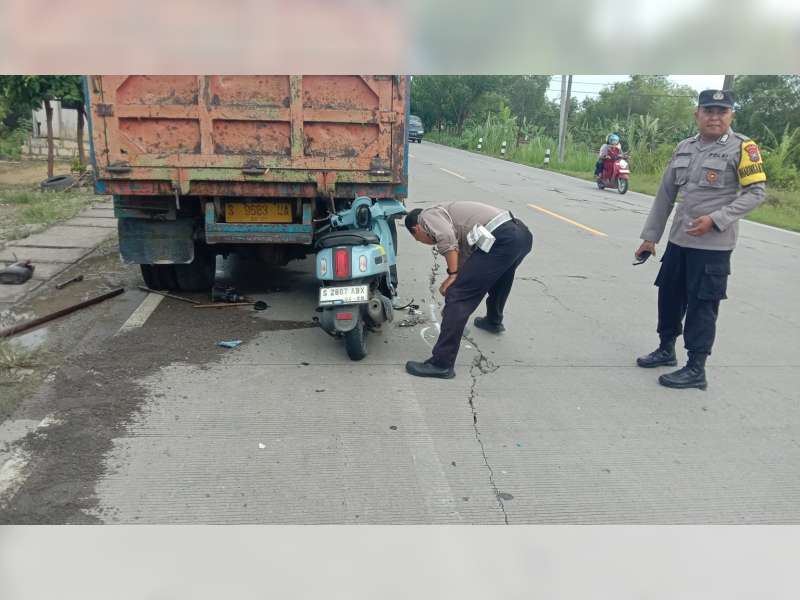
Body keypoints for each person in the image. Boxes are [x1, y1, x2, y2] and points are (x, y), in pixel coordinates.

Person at [635, 89, 767, 390]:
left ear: (731, 115)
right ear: (697, 115)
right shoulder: (685, 147)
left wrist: (716, 219)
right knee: (668, 296)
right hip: (679, 240)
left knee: (702, 305)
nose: (715, 117)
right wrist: (650, 237)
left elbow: (756, 193)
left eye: (722, 111)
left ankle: (696, 368)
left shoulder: (742, 148)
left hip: (713, 248)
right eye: (708, 111)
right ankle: (666, 349)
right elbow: (665, 195)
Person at [404, 201, 533, 379]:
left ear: (416, 229)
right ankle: (493, 321)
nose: (428, 242)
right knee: (500, 279)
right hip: (521, 235)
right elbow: (469, 262)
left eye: (420, 240)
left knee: (458, 296)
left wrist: (453, 279)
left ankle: (441, 364)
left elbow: (446, 239)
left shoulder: (427, 216)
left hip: (503, 238)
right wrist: (454, 307)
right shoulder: (453, 221)